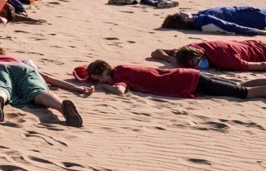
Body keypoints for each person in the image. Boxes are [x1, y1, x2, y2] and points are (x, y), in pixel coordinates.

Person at [84, 60, 266, 100]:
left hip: (189, 81)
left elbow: (119, 91)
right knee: (237, 86)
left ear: (105, 72)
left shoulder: (120, 77)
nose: (101, 82)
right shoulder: (123, 67)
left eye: (99, 78)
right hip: (187, 75)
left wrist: (102, 88)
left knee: (242, 93)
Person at [150, 39, 266, 72]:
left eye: (196, 63)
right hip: (253, 43)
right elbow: (156, 52)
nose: (196, 66)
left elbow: (261, 65)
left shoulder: (225, 60)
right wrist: (169, 58)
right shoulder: (192, 48)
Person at [161, 7, 266, 36]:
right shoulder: (205, 20)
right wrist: (259, 32)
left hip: (251, 12)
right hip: (255, 17)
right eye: (181, 14)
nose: (183, 12)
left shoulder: (198, 17)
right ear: (185, 19)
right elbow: (230, 26)